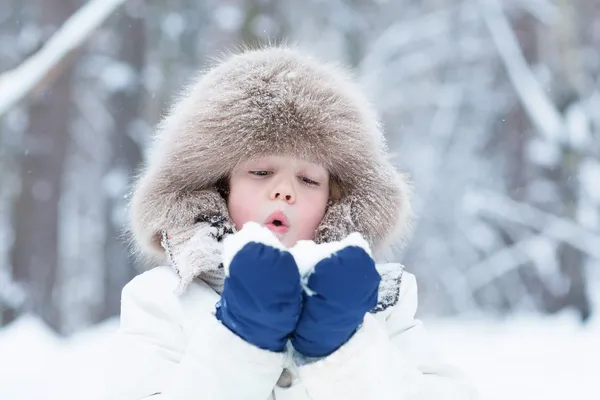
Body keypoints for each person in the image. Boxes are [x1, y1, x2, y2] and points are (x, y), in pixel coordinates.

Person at [105, 45, 478, 400]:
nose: (284, 191)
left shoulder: (381, 301)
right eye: (262, 171)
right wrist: (242, 338)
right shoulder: (164, 298)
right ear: (219, 187)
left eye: (309, 180)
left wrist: (343, 346)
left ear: (337, 201)